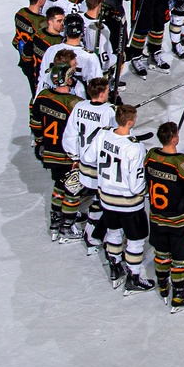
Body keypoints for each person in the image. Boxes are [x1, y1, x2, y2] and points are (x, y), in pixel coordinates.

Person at [89, 104, 156, 293]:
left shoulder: (103, 135)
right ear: (131, 121)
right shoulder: (135, 147)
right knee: (135, 240)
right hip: (128, 203)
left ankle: (115, 266)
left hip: (106, 198)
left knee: (113, 232)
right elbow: (136, 185)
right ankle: (133, 277)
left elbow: (89, 156)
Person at [144, 121, 184, 312]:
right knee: (179, 259)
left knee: (161, 254)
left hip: (157, 217)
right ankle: (178, 296)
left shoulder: (151, 155)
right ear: (175, 138)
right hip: (179, 221)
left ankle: (162, 286)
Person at [31, 61, 83, 243]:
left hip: (50, 153)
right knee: (73, 189)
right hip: (68, 156)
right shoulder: (74, 104)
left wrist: (39, 141)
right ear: (67, 79)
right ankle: (67, 225)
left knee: (59, 186)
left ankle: (55, 221)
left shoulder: (43, 96)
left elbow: (35, 122)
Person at [63, 77, 114, 254]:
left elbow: (70, 135)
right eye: (107, 91)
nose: (109, 93)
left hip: (83, 163)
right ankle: (92, 236)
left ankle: (70, 223)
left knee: (82, 192)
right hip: (101, 166)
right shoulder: (110, 111)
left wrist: (75, 157)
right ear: (101, 93)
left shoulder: (79, 106)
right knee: (100, 200)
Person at [36, 16, 102, 98]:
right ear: (82, 30)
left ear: (65, 30)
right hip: (76, 103)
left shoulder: (52, 50)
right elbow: (97, 89)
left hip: (50, 99)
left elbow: (42, 77)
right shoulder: (90, 57)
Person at [13, 0, 48, 95]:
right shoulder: (42, 23)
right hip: (34, 63)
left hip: (23, 57)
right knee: (37, 92)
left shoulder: (20, 13)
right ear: (39, 1)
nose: (46, 0)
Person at [33, 6, 65, 86]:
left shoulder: (38, 33)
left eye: (63, 20)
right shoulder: (60, 43)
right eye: (59, 21)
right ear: (50, 22)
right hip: (47, 81)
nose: (62, 24)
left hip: (37, 78)